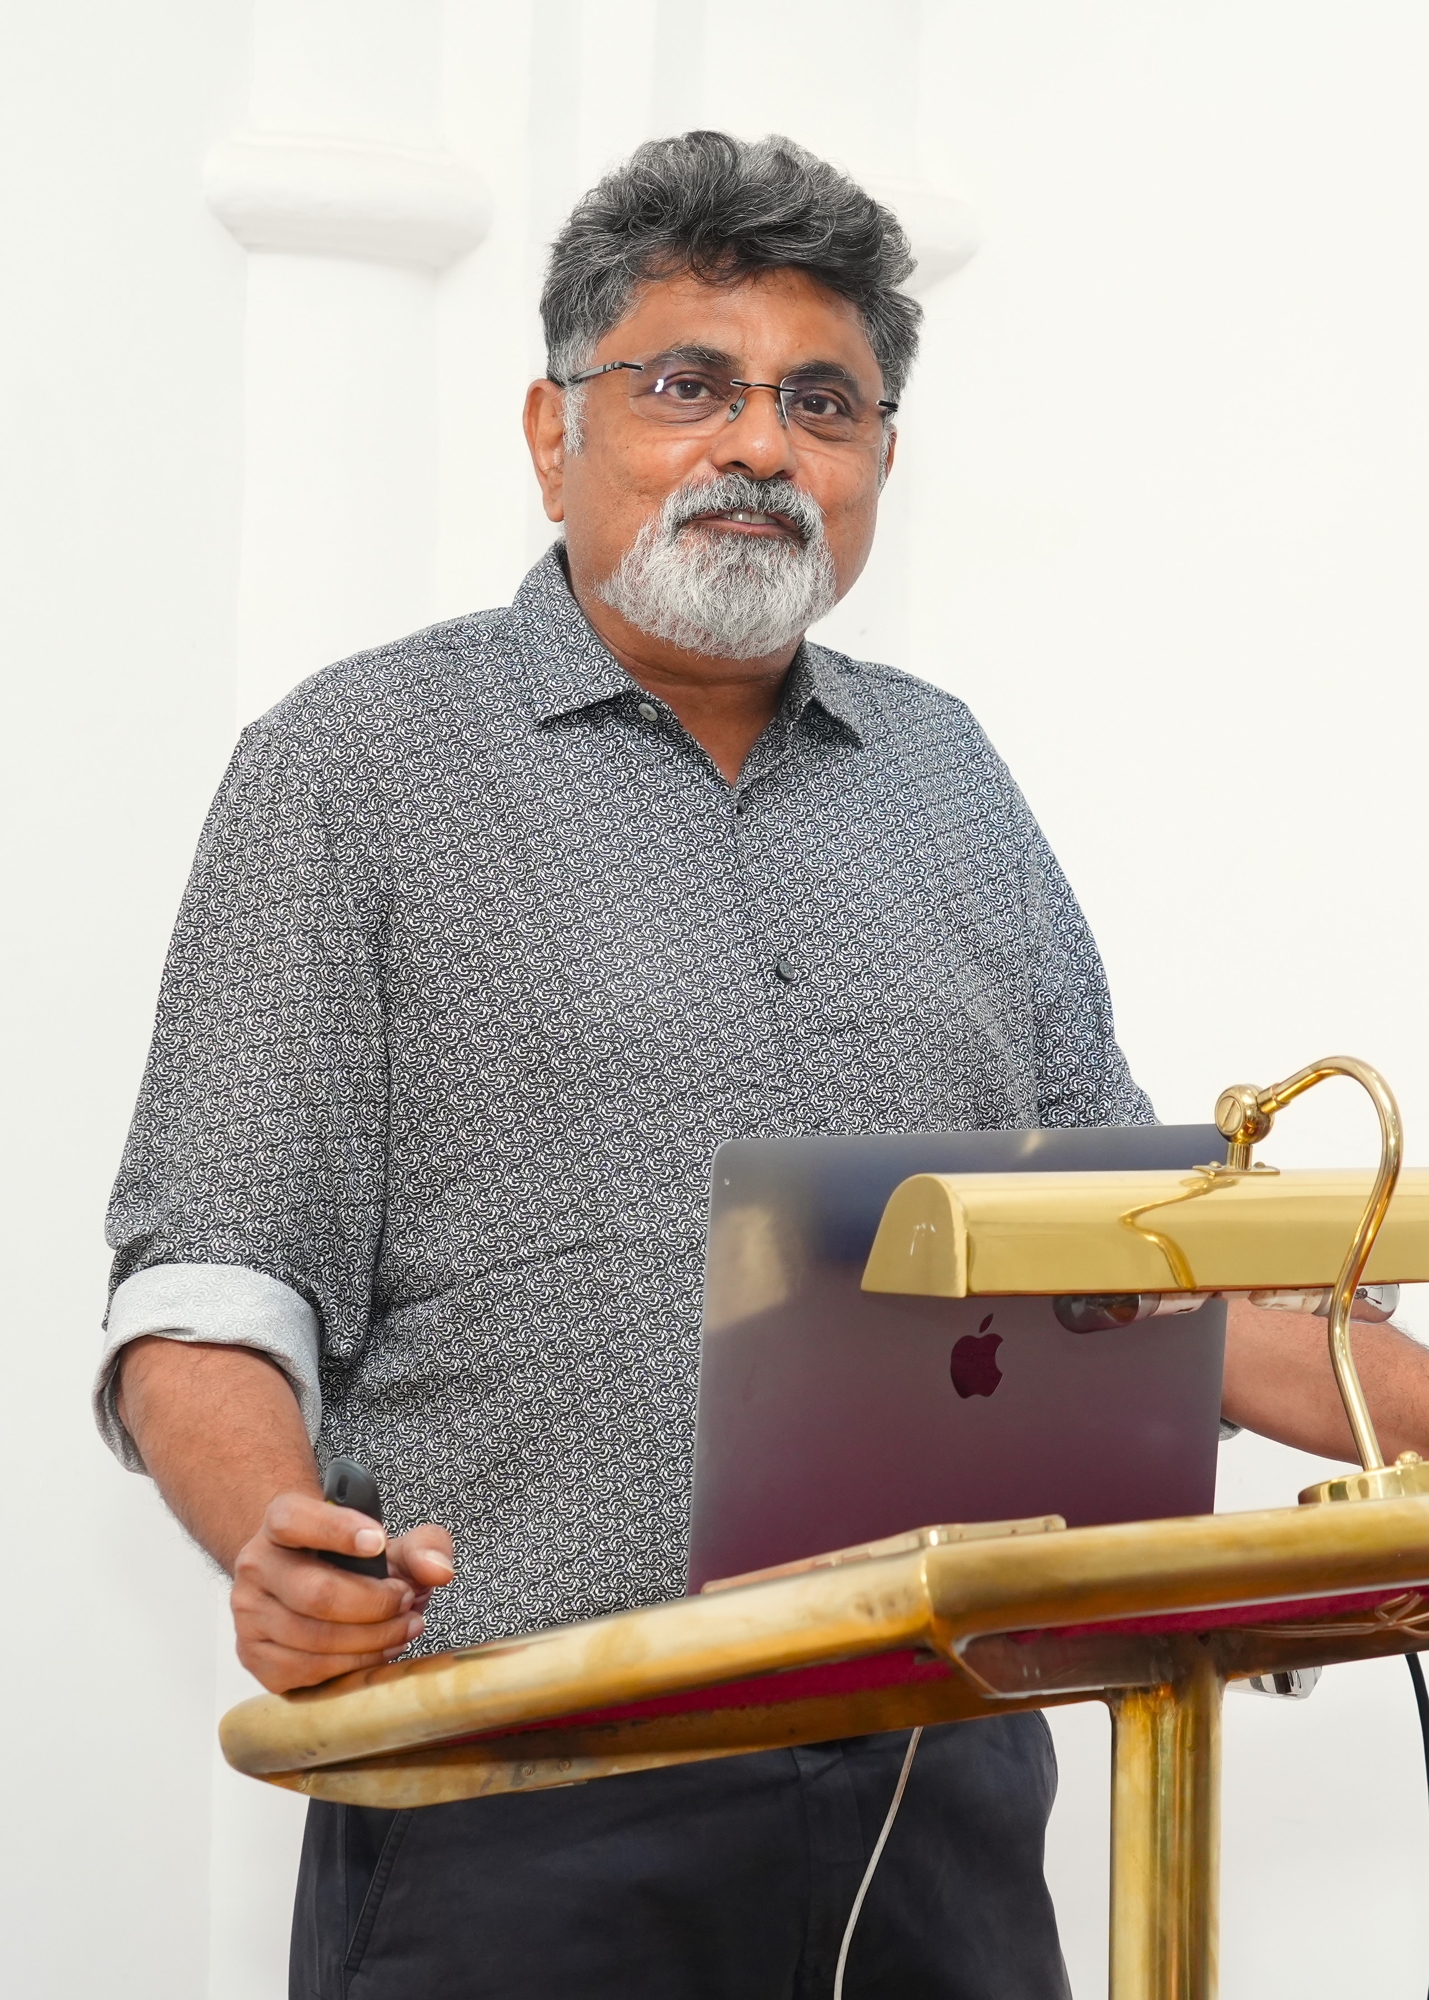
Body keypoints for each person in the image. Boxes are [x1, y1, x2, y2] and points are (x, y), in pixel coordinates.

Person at [96, 131, 1429, 1999]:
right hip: (521, 1785)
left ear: (877, 460)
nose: (757, 444)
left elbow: (1125, 1273)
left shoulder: (950, 782)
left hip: (943, 1780)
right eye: (688, 385)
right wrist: (274, 1541)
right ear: (552, 433)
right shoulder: (358, 766)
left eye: (822, 400)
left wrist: (1403, 1409)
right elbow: (209, 1282)